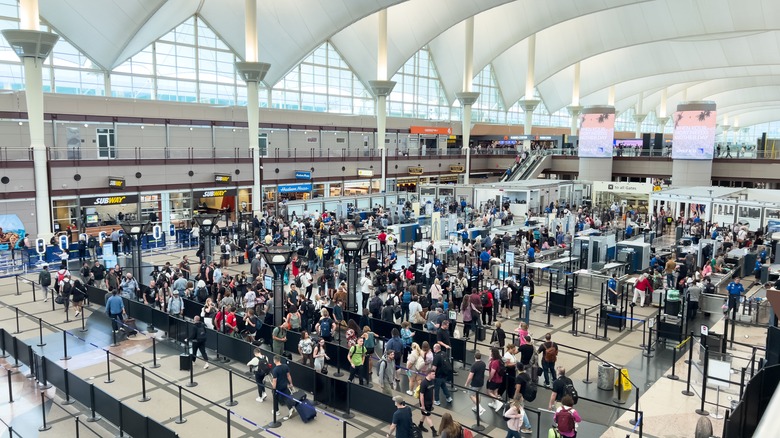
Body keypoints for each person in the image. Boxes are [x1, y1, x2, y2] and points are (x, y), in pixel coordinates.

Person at [270, 355, 297, 421]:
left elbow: (274, 380)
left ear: (274, 361)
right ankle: (290, 408)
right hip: (285, 385)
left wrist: (274, 388)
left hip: (278, 387)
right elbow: (288, 376)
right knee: (286, 397)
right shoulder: (285, 366)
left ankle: (276, 411)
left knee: (275, 398)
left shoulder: (275, 370)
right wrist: (291, 383)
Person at [464, 351, 487, 416]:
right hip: (481, 382)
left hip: (475, 383)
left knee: (471, 395)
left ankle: (480, 407)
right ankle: (477, 407)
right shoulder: (483, 363)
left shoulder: (474, 365)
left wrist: (466, 383)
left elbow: (470, 376)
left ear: (474, 357)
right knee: (477, 394)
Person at [418, 370, 438, 436]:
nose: (434, 375)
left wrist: (433, 399)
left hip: (429, 402)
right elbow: (421, 395)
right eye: (433, 374)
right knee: (428, 416)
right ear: (429, 374)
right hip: (425, 403)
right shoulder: (424, 383)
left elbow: (432, 390)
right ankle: (434, 431)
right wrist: (422, 406)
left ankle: (420, 425)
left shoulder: (432, 381)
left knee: (424, 415)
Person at [486, 347, 504, 411]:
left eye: (490, 352)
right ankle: (494, 403)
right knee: (495, 391)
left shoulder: (494, 362)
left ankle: (497, 402)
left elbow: (492, 372)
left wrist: (489, 379)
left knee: (489, 392)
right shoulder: (500, 359)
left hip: (494, 380)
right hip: (500, 379)